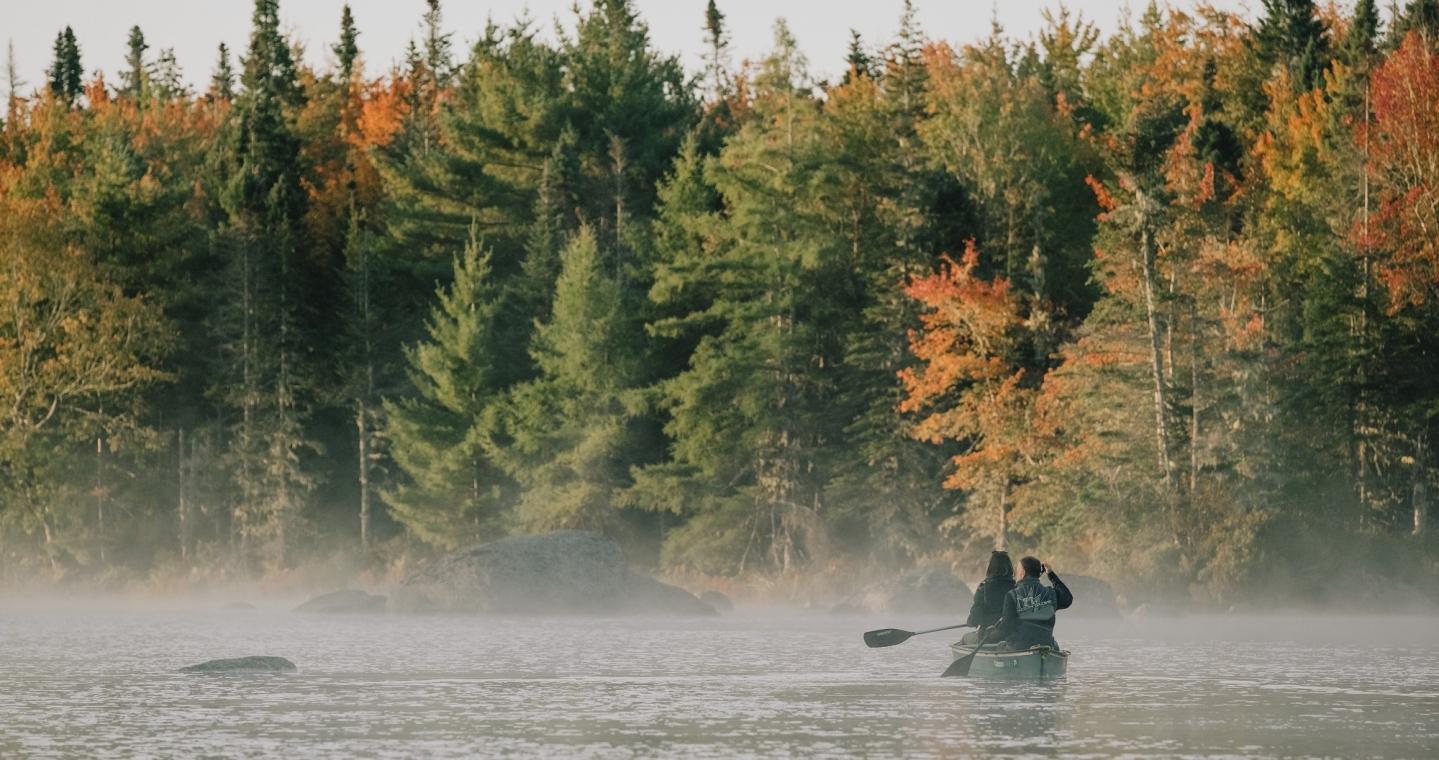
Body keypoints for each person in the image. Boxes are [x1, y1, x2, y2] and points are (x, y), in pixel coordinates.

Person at [990, 556, 1073, 651]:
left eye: (1017, 571)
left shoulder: (1012, 595)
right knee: (1055, 645)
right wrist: (1051, 574)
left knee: (1000, 646)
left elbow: (1006, 628)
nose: (1015, 574)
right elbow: (1067, 598)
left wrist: (990, 635)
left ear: (1023, 573)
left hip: (1019, 648)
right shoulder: (1051, 594)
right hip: (1045, 645)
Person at [959, 551, 1014, 646]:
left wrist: (970, 622)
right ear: (1009, 567)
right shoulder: (1016, 587)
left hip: (988, 638)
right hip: (1010, 637)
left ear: (990, 568)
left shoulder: (983, 588)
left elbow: (975, 618)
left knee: (965, 639)